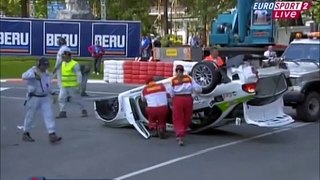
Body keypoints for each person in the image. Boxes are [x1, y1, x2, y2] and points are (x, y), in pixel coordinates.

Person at [21, 57, 62, 143]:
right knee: (30, 116)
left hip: (45, 97)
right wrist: (33, 75)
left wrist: (52, 92)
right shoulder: (33, 71)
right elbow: (23, 76)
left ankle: (52, 134)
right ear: (39, 65)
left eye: (46, 65)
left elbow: (47, 85)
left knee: (49, 115)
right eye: (43, 65)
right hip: (34, 97)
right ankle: (26, 133)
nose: (45, 67)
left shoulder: (46, 74)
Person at [168, 65, 202, 146]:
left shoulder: (173, 80)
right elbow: (198, 89)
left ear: (176, 71)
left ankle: (180, 135)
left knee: (178, 117)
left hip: (178, 99)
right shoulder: (189, 78)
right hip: (188, 99)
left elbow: (171, 93)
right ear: (183, 71)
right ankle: (183, 131)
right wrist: (194, 95)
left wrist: (171, 101)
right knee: (187, 117)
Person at [56, 50, 88, 118]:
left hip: (73, 85)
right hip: (64, 85)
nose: (63, 58)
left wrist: (78, 85)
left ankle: (83, 109)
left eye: (64, 57)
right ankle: (62, 111)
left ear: (69, 56)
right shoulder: (63, 63)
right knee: (61, 98)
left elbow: (78, 75)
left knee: (77, 99)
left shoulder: (74, 64)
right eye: (63, 57)